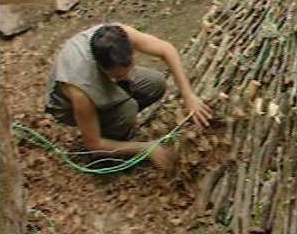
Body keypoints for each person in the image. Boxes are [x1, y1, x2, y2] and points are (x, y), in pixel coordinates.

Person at [44, 23, 211, 168]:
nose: (128, 79)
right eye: (119, 76)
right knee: (127, 110)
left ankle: (117, 120)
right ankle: (112, 140)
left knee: (156, 83)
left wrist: (188, 95)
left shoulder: (118, 36)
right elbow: (93, 143)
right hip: (66, 106)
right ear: (102, 69)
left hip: (99, 79)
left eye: (129, 69)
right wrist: (146, 148)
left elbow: (167, 50)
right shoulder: (80, 90)